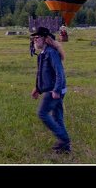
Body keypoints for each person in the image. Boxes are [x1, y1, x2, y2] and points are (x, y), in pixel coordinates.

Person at [30, 26, 70, 154]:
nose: (35, 40)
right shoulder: (43, 53)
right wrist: (38, 88)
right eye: (34, 38)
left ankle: (64, 139)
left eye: (37, 37)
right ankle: (65, 148)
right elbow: (44, 74)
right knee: (57, 117)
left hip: (54, 90)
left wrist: (56, 90)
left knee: (42, 113)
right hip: (53, 89)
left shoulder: (51, 53)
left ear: (45, 39)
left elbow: (60, 73)